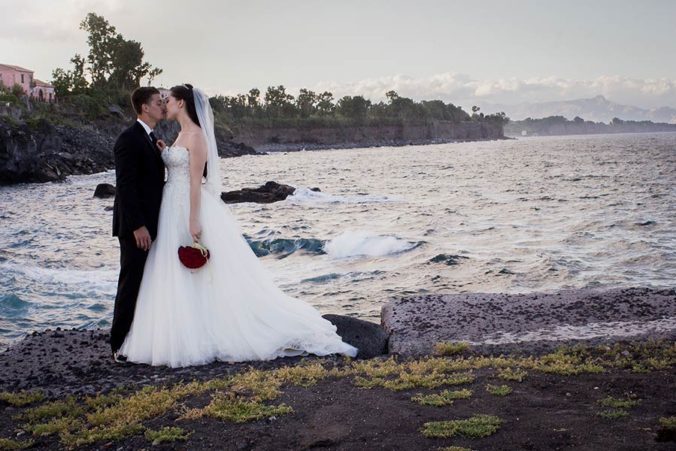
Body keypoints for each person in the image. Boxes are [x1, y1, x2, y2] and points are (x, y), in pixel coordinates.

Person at [117, 83, 358, 367]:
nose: (165, 104)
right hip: (170, 209)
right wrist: (164, 151)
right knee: (172, 270)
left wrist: (193, 218)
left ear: (182, 103)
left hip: (185, 207)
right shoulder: (179, 135)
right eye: (161, 100)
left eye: (168, 100)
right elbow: (168, 167)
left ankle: (202, 331)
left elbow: (195, 182)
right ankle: (182, 327)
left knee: (196, 270)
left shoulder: (196, 136)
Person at [110, 87, 166, 362]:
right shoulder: (128, 140)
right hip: (135, 228)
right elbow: (126, 187)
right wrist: (137, 226)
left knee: (145, 282)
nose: (163, 106)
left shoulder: (152, 138)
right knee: (131, 282)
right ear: (145, 107)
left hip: (151, 224)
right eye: (158, 102)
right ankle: (118, 345)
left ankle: (138, 338)